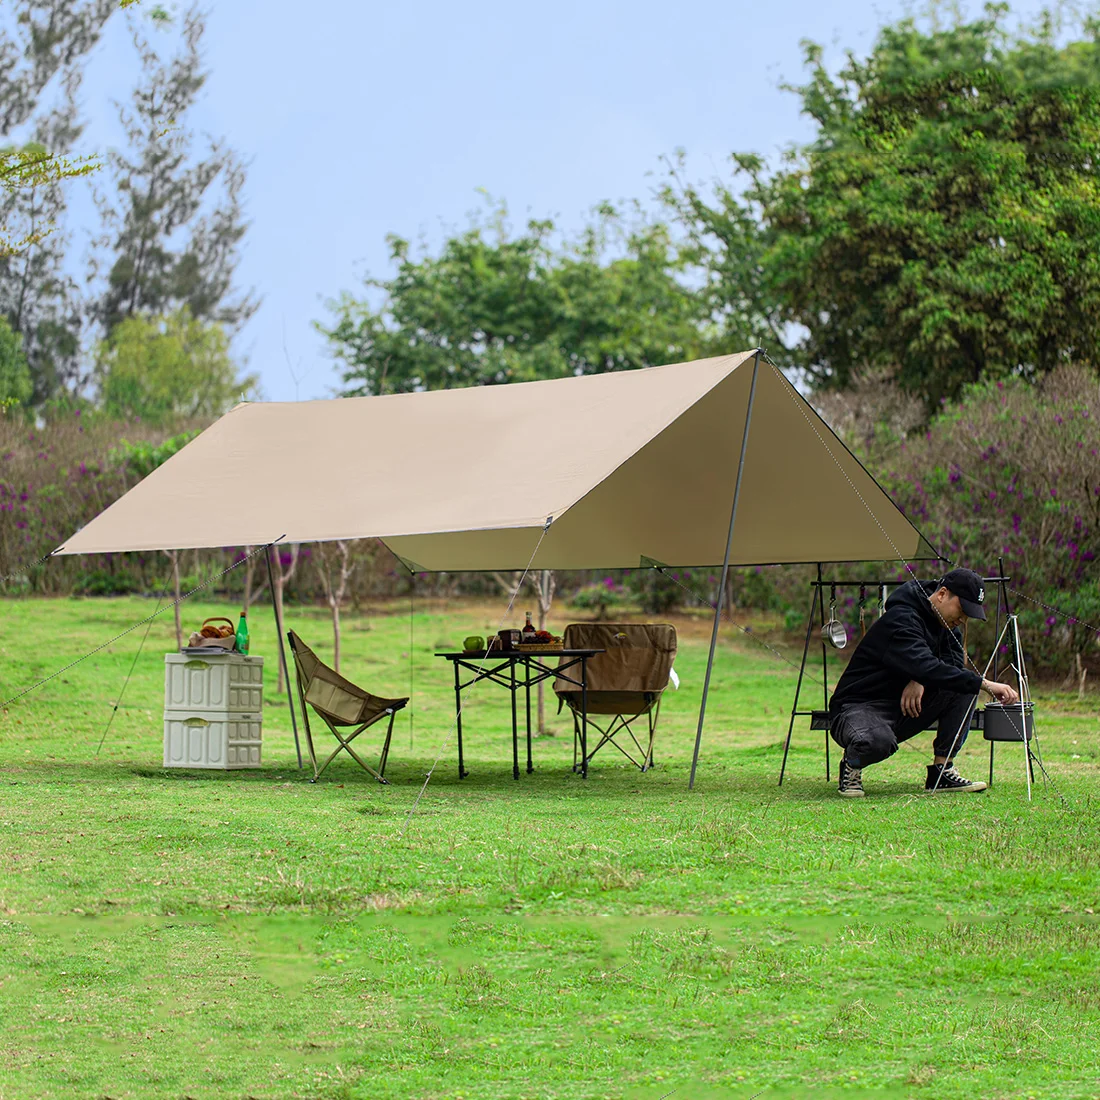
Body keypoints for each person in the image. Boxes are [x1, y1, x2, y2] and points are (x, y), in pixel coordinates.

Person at [829, 568, 1020, 797]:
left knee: (963, 686)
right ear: (942, 594)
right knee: (875, 742)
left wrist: (919, 679)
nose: (962, 619)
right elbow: (924, 665)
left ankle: (942, 772)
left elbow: (950, 670)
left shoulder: (949, 627)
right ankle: (852, 764)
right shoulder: (901, 619)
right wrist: (987, 684)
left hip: (903, 708)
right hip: (857, 708)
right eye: (962, 610)